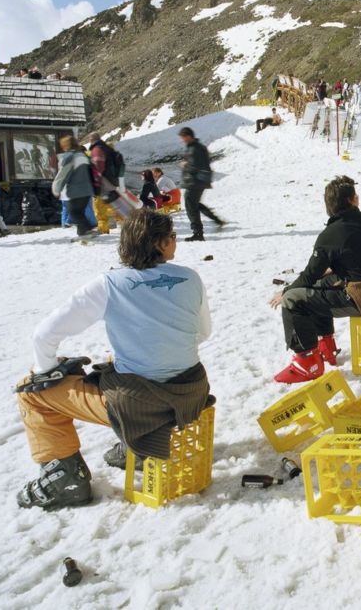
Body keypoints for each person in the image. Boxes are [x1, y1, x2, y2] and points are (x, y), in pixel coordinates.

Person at [14, 209, 212, 509]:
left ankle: (66, 477)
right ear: (158, 243)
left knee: (32, 393)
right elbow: (202, 334)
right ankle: (134, 445)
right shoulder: (190, 278)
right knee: (117, 363)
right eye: (171, 237)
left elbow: (43, 335)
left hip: (141, 405)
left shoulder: (109, 284)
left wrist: (45, 371)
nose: (176, 241)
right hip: (191, 393)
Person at [269, 176, 361, 383]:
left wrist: (285, 291)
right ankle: (326, 345)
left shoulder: (330, 235)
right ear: (353, 200)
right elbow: (359, 252)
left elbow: (309, 274)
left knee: (294, 299)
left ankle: (307, 362)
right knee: (318, 286)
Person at [179, 127, 225, 241]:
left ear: (188, 136)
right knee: (195, 204)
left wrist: (185, 165)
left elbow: (195, 166)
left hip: (194, 182)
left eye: (183, 137)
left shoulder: (195, 149)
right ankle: (216, 220)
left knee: (190, 206)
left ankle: (198, 233)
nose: (182, 140)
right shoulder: (197, 147)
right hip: (199, 181)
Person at [52, 135, 96, 238]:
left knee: (74, 213)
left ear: (66, 145)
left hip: (76, 191)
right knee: (79, 212)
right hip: (87, 189)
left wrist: (56, 189)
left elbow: (63, 174)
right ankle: (82, 233)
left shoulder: (70, 157)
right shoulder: (83, 155)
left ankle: (87, 230)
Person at [87, 132, 122, 234]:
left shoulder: (97, 149)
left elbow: (98, 167)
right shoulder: (110, 150)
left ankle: (103, 229)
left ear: (92, 140)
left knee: (99, 208)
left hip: (102, 184)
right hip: (112, 183)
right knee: (110, 204)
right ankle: (122, 223)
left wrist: (95, 181)